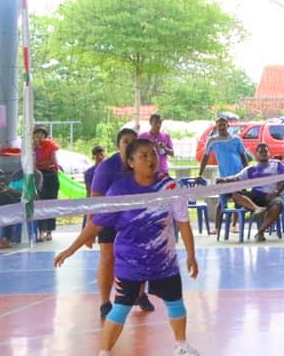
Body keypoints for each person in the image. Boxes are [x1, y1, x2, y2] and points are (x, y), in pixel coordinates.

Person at [54, 139, 201, 356]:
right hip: (130, 260)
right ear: (131, 162)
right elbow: (97, 224)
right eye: (144, 155)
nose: (151, 159)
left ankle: (181, 345)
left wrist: (191, 254)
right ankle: (104, 352)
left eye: (153, 154)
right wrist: (71, 249)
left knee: (175, 302)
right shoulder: (120, 191)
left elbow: (183, 222)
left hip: (163, 259)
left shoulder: (170, 187)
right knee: (121, 307)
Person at [91, 128, 152, 320]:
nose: (129, 144)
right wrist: (89, 227)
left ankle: (140, 295)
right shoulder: (106, 167)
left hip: (135, 218)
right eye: (125, 141)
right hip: (109, 219)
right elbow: (94, 197)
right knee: (108, 257)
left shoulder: (143, 164)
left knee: (140, 256)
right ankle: (105, 302)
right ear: (118, 145)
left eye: (133, 141)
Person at [216, 143, 284, 242]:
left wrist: (275, 192)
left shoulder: (277, 164)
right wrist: (224, 179)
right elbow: (236, 178)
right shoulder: (251, 169)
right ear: (256, 155)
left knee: (278, 204)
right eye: (261, 152)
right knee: (235, 194)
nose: (264, 153)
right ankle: (257, 209)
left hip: (272, 195)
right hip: (255, 196)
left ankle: (260, 232)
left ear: (269, 153)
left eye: (266, 151)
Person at [198, 116, 249, 233]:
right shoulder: (212, 140)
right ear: (216, 126)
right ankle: (217, 227)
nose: (221, 126)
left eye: (223, 123)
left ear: (228, 125)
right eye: (219, 124)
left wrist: (247, 173)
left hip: (238, 174)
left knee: (238, 200)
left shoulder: (236, 139)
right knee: (222, 202)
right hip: (224, 177)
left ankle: (234, 225)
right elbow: (205, 157)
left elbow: (243, 157)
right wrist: (200, 173)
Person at [32, 126, 60, 242]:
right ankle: (41, 230)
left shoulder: (50, 145)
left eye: (41, 133)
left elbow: (53, 160)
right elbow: (33, 163)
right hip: (38, 175)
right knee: (40, 202)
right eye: (37, 133)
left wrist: (43, 163)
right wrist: (35, 149)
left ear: (45, 135)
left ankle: (49, 230)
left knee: (51, 202)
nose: (39, 136)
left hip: (51, 175)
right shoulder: (32, 147)